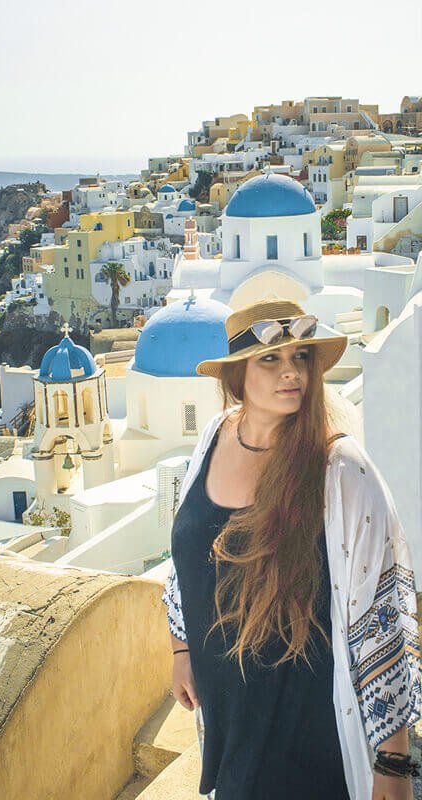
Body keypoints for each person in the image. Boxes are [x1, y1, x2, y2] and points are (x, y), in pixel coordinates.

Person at [163, 299, 421, 800]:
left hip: (305, 726)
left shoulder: (340, 469)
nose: (291, 372)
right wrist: (181, 647)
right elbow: (186, 554)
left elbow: (380, 617)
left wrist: (392, 762)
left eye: (301, 357)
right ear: (236, 376)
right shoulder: (216, 436)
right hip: (229, 715)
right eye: (270, 359)